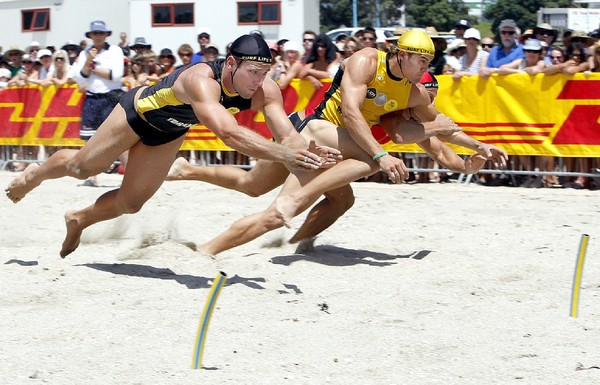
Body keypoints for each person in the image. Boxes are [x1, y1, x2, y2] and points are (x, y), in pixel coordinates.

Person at [5, 34, 340, 258]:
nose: (258, 81)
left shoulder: (265, 89)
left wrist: (306, 152)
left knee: (131, 203)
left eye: (264, 72)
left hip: (169, 131)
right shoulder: (201, 79)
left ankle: (78, 218)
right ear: (233, 64)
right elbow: (229, 133)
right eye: (253, 71)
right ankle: (33, 176)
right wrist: (287, 155)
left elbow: (286, 133)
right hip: (135, 114)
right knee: (83, 168)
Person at [194, 30, 508, 255]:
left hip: (340, 147)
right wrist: (384, 154)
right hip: (313, 131)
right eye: (423, 65)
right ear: (403, 55)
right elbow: (355, 114)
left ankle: (294, 246)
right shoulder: (370, 64)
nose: (427, 73)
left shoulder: (412, 98)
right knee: (280, 205)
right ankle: (209, 249)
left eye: (429, 69)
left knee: (322, 197)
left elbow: (442, 137)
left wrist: (476, 151)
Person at [72, 20, 127, 187]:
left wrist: (92, 68)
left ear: (106, 35)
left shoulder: (115, 50)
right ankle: (92, 176)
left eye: (101, 33)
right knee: (90, 140)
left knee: (120, 138)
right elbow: (80, 78)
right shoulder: (85, 53)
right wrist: (89, 61)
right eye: (95, 33)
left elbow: (116, 75)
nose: (98, 36)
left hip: (111, 96)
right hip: (92, 97)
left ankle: (130, 175)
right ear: (90, 35)